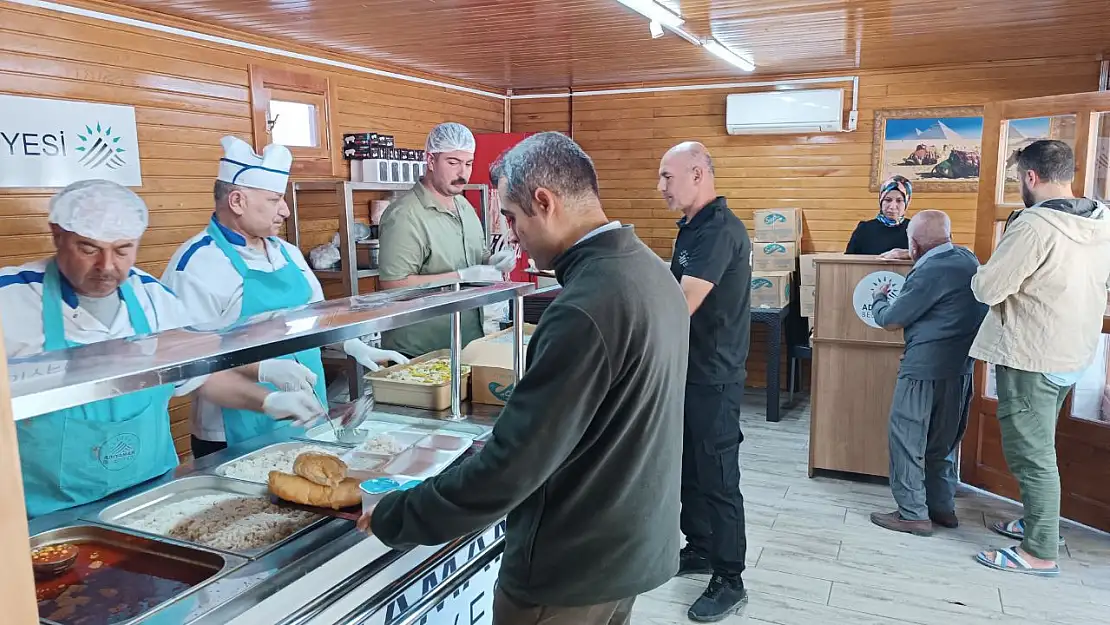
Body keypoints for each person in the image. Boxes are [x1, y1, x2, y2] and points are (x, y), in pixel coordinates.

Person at [359, 132, 689, 625]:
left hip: (571, 565)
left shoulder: (584, 308)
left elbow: (511, 467)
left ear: (544, 202)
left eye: (512, 218)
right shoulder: (648, 270)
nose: (512, 237)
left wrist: (399, 514)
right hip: (631, 545)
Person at [1, 180, 323, 518]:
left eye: (123, 250)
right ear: (57, 235)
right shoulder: (10, 300)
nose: (107, 266)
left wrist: (267, 400)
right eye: (88, 248)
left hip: (150, 499)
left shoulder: (153, 300)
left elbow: (198, 377)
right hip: (45, 514)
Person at [162, 137, 406, 458]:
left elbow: (315, 320)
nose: (286, 211)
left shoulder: (287, 253)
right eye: (275, 199)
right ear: (237, 201)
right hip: (233, 433)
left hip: (308, 416)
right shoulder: (196, 266)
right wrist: (267, 384)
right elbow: (191, 370)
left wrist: (351, 345)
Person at [968, 139, 1110, 577]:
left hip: (1032, 355)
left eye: (1018, 178)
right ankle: (1039, 522)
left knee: (1032, 455)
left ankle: (1039, 550)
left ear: (1031, 177)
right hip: (1074, 352)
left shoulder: (1034, 226)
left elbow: (989, 289)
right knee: (1041, 444)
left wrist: (975, 271)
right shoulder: (1101, 217)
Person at [658, 141, 751, 621]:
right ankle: (698, 546)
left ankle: (730, 577)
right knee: (690, 468)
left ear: (697, 174)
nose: (661, 188)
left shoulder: (717, 231)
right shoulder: (693, 228)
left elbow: (682, 303)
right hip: (690, 371)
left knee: (716, 475)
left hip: (714, 375)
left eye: (667, 178)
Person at [866, 210, 987, 536]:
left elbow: (891, 319)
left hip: (923, 368)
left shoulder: (927, 272)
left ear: (915, 246)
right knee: (944, 441)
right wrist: (912, 252)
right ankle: (942, 508)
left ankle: (912, 514)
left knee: (906, 438)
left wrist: (877, 300)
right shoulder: (967, 259)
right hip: (961, 368)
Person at [377, 122, 515, 358]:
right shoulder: (405, 216)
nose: (463, 174)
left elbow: (476, 257)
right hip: (421, 350)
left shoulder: (463, 206)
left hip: (468, 340)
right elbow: (393, 285)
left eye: (468, 164)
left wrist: (493, 262)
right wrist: (459, 278)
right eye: (453, 163)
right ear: (431, 161)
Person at [846, 175, 912, 255]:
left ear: (906, 203)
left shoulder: (914, 229)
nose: (892, 206)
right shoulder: (864, 229)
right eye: (888, 200)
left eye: (899, 201)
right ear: (881, 201)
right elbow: (850, 261)